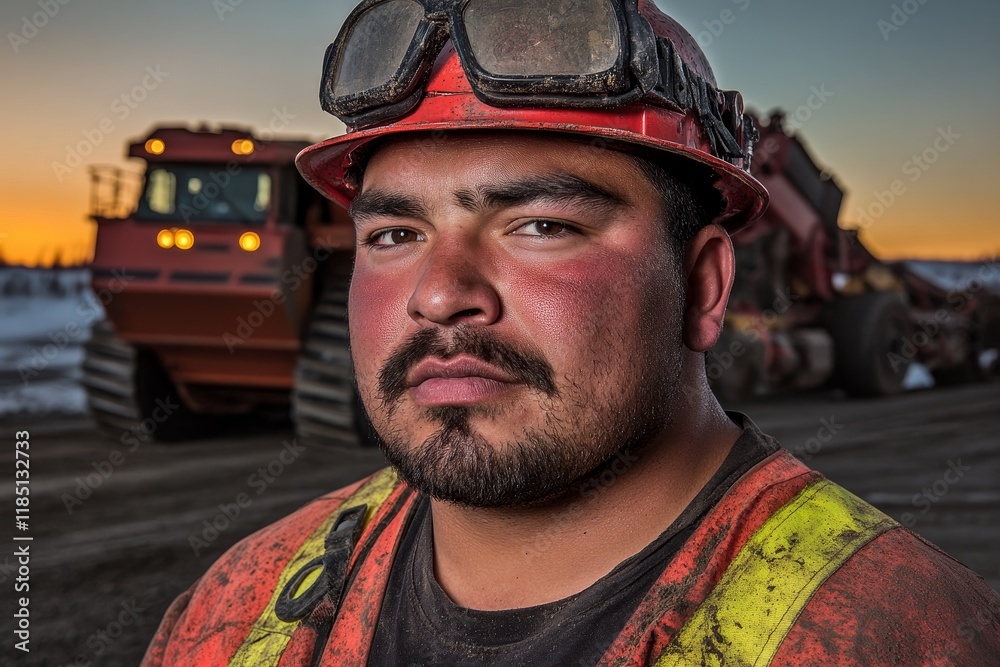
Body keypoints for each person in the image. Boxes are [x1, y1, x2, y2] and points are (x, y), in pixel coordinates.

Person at [143, 1, 1000, 665]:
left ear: (703, 284)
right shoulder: (238, 606)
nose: (439, 296)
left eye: (541, 226)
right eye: (395, 235)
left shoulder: (904, 632)